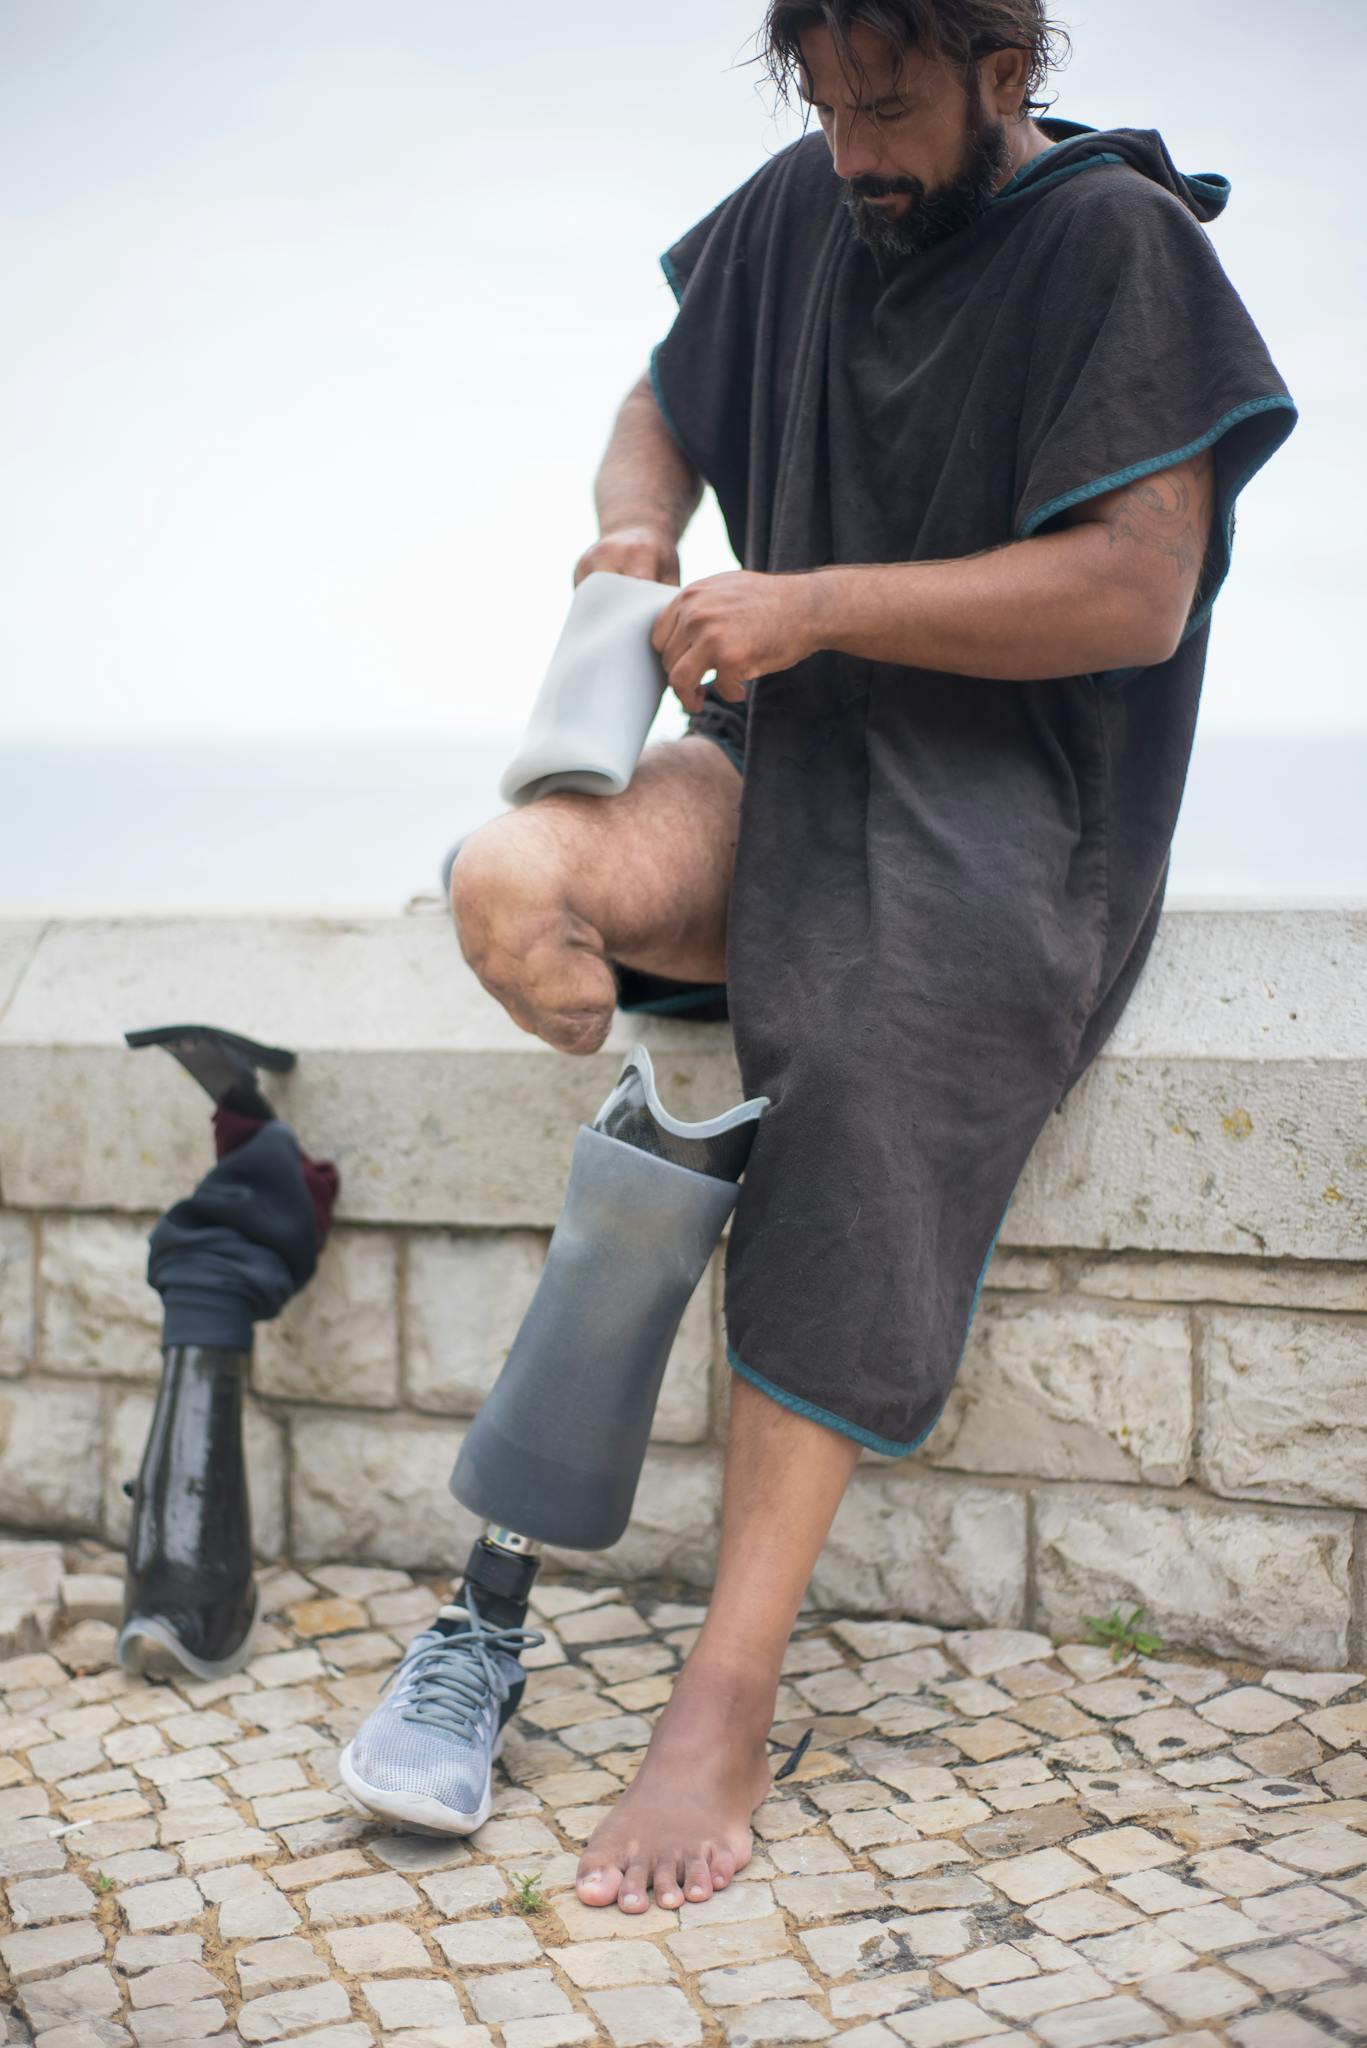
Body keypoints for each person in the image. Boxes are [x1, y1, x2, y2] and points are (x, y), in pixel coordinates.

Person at [343, 0, 1295, 1914]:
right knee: (511, 881)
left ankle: (719, 1684)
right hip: (784, 771)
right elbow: (659, 409)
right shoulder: (803, 207)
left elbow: (1138, 584)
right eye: (830, 100)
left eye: (892, 104)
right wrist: (634, 532)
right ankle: (661, 1159)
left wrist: (817, 605)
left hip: (1010, 821)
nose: (856, 146)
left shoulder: (1119, 245)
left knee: (851, 1057)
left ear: (1004, 69)